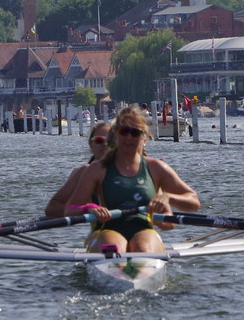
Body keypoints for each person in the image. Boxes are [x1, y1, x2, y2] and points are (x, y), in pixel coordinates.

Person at [62, 106, 200, 254]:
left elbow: (193, 202)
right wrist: (89, 208)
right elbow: (70, 210)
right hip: (108, 229)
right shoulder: (97, 169)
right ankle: (117, 270)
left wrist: (168, 198)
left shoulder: (157, 168)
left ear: (144, 138)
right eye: (124, 131)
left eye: (135, 133)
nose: (129, 137)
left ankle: (141, 269)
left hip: (144, 230)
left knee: (143, 248)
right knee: (114, 247)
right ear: (115, 136)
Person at [44, 121, 112, 217]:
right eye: (99, 140)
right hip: (102, 229)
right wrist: (86, 209)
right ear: (90, 144)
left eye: (109, 140)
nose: (104, 144)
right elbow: (52, 209)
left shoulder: (129, 168)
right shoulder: (84, 172)